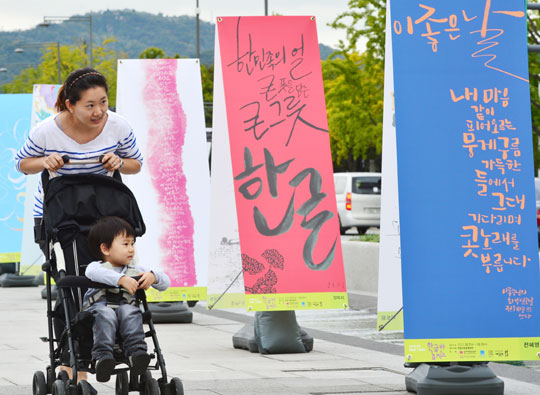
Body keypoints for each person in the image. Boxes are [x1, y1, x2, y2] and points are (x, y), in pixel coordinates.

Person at [14, 67, 143, 385]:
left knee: (111, 281)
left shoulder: (118, 126)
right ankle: (75, 365)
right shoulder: (47, 131)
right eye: (90, 104)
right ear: (70, 105)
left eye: (104, 101)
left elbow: (135, 163)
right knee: (72, 285)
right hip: (60, 217)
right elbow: (22, 163)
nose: (99, 111)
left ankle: (116, 346)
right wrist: (46, 161)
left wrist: (118, 162)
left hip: (105, 217)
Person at [84, 216, 170, 382]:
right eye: (125, 244)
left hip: (125, 311)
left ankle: (136, 353)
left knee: (130, 310)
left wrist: (154, 276)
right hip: (99, 311)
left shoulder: (136, 269)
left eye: (132, 244)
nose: (131, 249)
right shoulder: (96, 267)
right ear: (105, 249)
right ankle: (102, 357)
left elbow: (165, 282)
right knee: (106, 313)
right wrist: (120, 279)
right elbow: (93, 274)